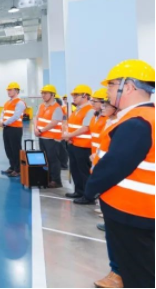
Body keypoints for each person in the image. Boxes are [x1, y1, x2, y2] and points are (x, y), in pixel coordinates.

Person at [85, 60, 155, 288]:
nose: (107, 90)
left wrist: (91, 188)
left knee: (138, 275)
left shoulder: (137, 122)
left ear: (130, 87)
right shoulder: (144, 116)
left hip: (132, 210)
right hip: (138, 209)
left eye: (112, 84)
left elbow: (115, 165)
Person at [92, 97, 122, 289]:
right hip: (105, 180)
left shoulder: (129, 124)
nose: (103, 107)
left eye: (106, 104)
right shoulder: (111, 121)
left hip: (123, 191)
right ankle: (116, 271)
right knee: (114, 234)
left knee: (122, 237)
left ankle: (119, 273)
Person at [62, 84, 95, 205]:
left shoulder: (90, 110)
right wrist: (69, 137)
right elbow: (71, 125)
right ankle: (79, 191)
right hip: (74, 144)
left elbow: (86, 128)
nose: (74, 97)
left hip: (84, 146)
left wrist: (69, 135)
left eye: (76, 95)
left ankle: (88, 195)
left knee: (84, 172)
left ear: (85, 96)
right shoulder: (77, 110)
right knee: (75, 170)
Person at [33, 85, 64, 188]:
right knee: (45, 159)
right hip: (42, 137)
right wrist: (35, 128)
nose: (43, 95)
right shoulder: (41, 106)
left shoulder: (57, 108)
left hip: (52, 138)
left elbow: (54, 123)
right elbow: (36, 118)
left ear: (52, 95)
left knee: (53, 159)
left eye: (45, 93)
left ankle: (56, 181)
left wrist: (40, 130)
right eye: (42, 93)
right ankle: (48, 178)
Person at [0, 82, 26, 177]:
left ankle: (18, 169)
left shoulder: (20, 103)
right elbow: (3, 113)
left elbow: (16, 116)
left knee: (15, 149)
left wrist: (4, 123)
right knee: (8, 148)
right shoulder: (7, 102)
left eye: (10, 90)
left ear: (16, 91)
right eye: (8, 90)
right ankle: (12, 166)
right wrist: (1, 120)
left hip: (15, 129)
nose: (8, 92)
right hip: (7, 128)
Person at [55, 94, 69, 170]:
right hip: (56, 134)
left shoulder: (61, 110)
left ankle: (63, 164)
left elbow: (64, 122)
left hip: (60, 134)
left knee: (62, 149)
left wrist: (63, 133)